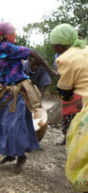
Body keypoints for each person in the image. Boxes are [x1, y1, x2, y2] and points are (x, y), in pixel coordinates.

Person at [0, 22, 56, 173]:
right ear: (5, 35)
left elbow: (33, 52)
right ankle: (10, 154)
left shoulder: (6, 47)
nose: (15, 35)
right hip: (7, 91)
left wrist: (49, 70)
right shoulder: (2, 46)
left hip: (17, 92)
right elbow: (32, 52)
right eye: (13, 33)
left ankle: (21, 157)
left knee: (14, 125)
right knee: (5, 124)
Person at [49, 23, 88, 192]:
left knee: (78, 149)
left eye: (54, 45)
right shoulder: (85, 49)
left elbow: (65, 90)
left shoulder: (64, 59)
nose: (53, 48)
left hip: (81, 107)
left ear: (62, 44)